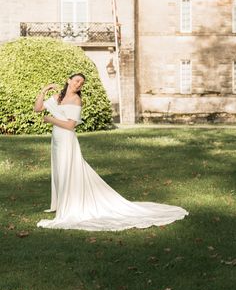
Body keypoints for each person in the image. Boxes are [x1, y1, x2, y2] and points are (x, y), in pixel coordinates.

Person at [34, 74, 188, 231]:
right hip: (57, 140)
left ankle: (71, 205)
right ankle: (63, 203)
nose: (79, 84)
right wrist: (44, 90)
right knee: (60, 170)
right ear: (68, 81)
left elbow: (70, 125)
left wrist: (50, 120)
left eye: (81, 83)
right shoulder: (57, 97)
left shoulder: (76, 100)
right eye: (76, 80)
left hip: (67, 139)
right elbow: (37, 108)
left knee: (68, 170)